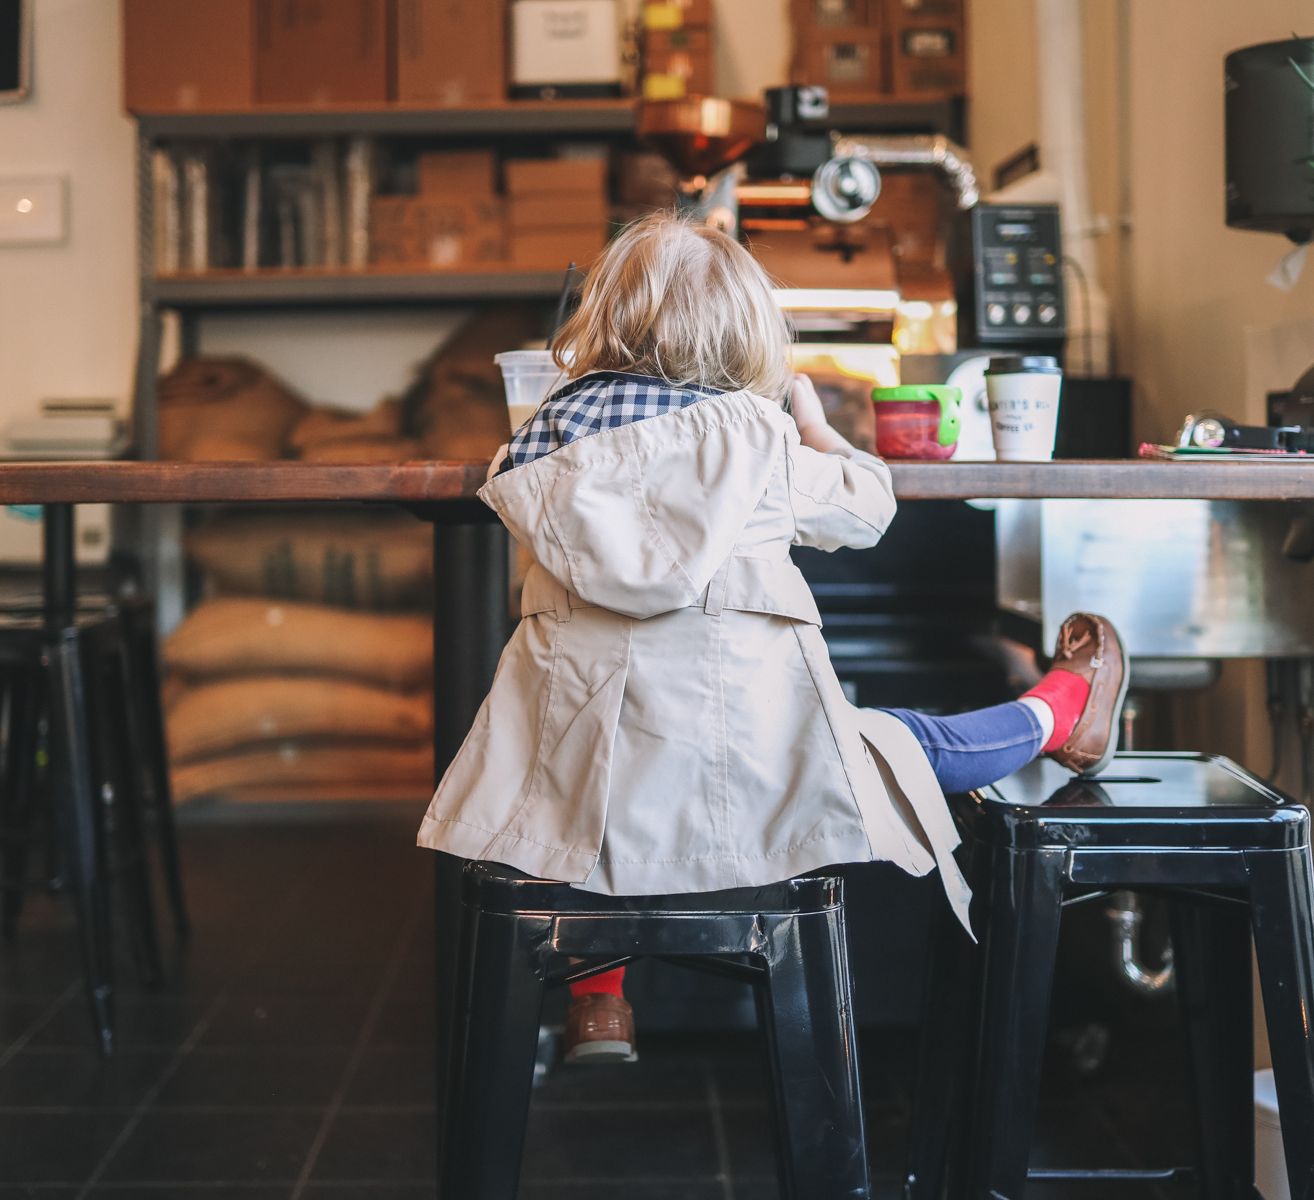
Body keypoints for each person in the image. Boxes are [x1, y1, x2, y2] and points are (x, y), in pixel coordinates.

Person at [418, 213, 1126, 1064]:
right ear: (744, 332)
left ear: (603, 320)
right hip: (756, 788)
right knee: (904, 743)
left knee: (586, 780)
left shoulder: (536, 449)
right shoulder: (760, 442)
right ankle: (1062, 709)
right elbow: (869, 512)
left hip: (589, 797)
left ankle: (599, 999)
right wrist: (827, 434)